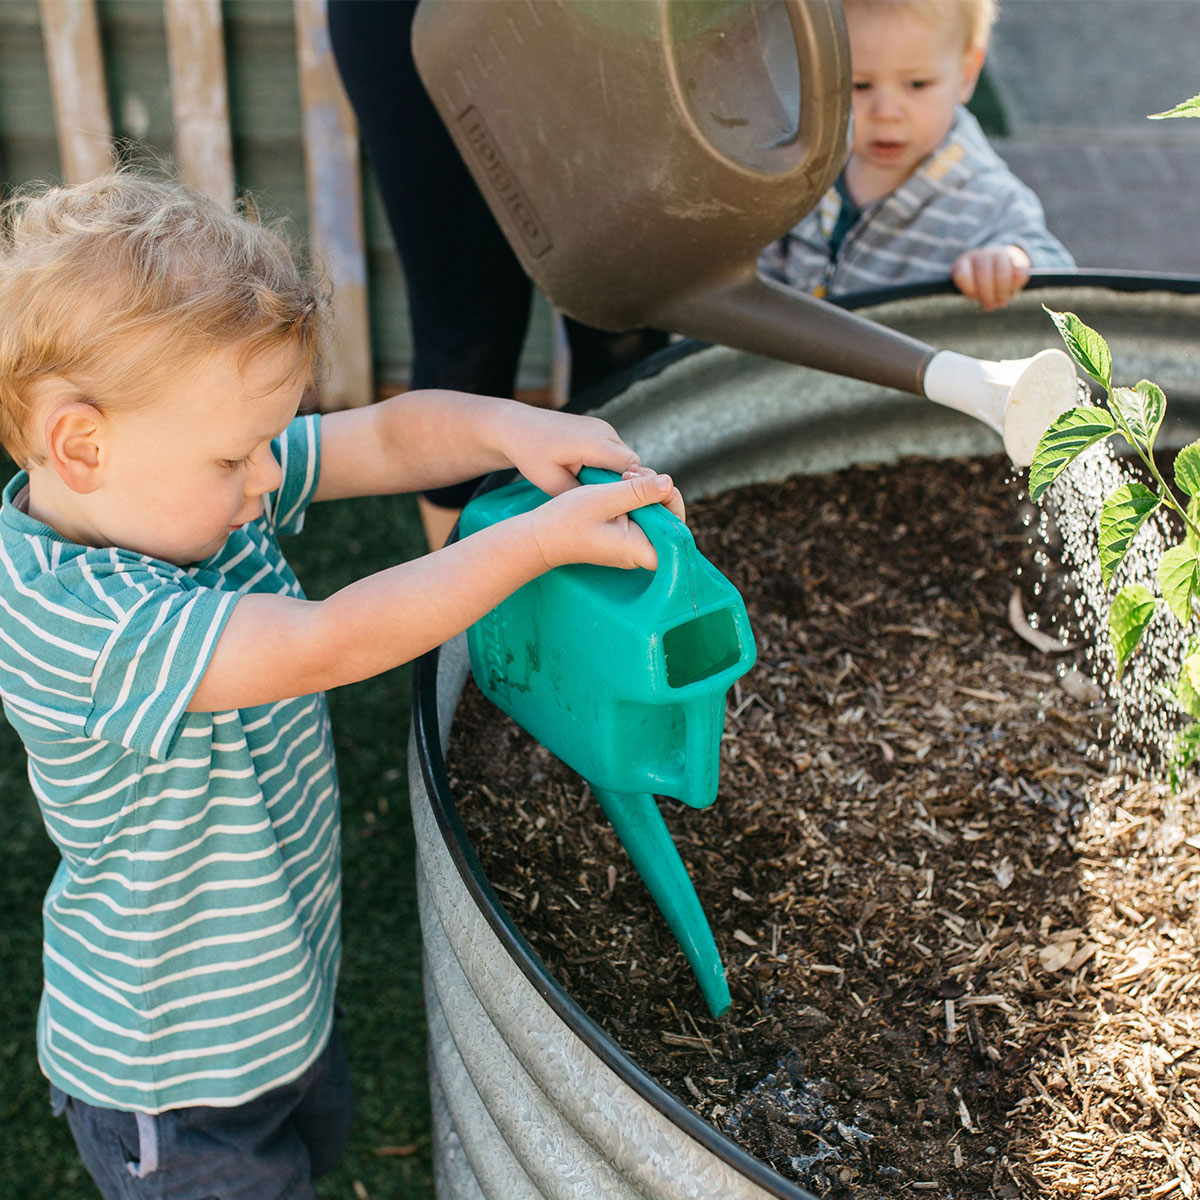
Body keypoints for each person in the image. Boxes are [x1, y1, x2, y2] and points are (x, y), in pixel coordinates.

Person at [0, 171, 683, 1200]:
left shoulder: (183, 492)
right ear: (83, 447)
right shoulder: (80, 619)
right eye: (237, 457)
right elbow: (329, 640)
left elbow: (389, 436)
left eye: (269, 444)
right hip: (174, 1075)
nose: (270, 478)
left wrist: (514, 430)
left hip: (273, 1004)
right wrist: (534, 547)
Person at [327, 0, 670, 551]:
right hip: (409, 18)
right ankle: (462, 623)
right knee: (465, 342)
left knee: (623, 329)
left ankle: (618, 589)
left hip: (612, 18)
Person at [759, 0, 1075, 311]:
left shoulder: (985, 200)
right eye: (859, 85)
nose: (887, 112)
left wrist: (1012, 261)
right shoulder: (805, 166)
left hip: (906, 361)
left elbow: (1063, 285)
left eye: (917, 84)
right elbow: (761, 268)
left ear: (967, 75)